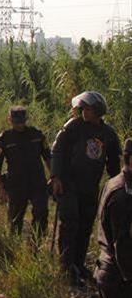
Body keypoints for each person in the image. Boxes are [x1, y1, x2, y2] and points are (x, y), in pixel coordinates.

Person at [50, 91, 122, 286]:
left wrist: (117, 187)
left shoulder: (108, 134)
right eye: (83, 108)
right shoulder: (73, 127)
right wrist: (55, 177)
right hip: (69, 184)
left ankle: (79, 264)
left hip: (90, 187)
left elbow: (114, 164)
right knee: (70, 224)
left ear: (97, 111)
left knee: (85, 225)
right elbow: (57, 151)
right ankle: (66, 268)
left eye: (88, 109)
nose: (84, 112)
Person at [0, 106, 51, 235]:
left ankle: (36, 243)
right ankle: (15, 243)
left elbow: (48, 158)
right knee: (15, 219)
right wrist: (0, 188)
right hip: (16, 184)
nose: (20, 125)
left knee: (41, 213)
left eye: (22, 121)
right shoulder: (3, 139)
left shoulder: (37, 135)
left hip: (37, 182)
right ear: (10, 120)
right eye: (16, 122)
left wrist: (54, 177)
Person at [95, 138, 132, 298]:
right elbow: (123, 245)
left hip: (112, 272)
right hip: (120, 279)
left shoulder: (115, 182)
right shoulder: (123, 195)